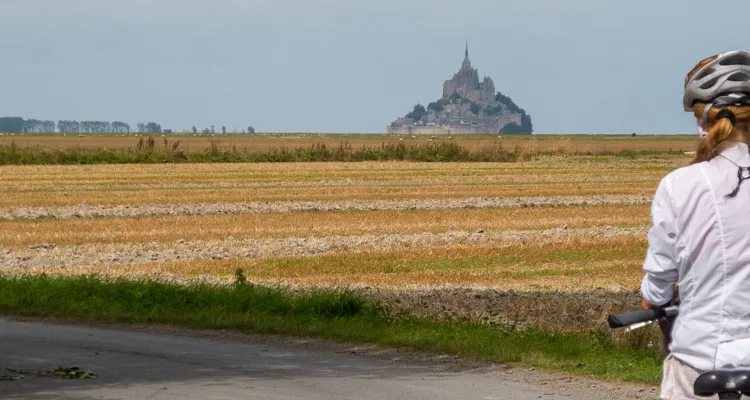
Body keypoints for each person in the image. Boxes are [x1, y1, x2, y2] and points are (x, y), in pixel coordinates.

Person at [640, 50, 750, 399]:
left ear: (703, 120)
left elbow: (660, 276)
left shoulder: (679, 185)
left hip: (699, 361)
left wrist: (652, 297)